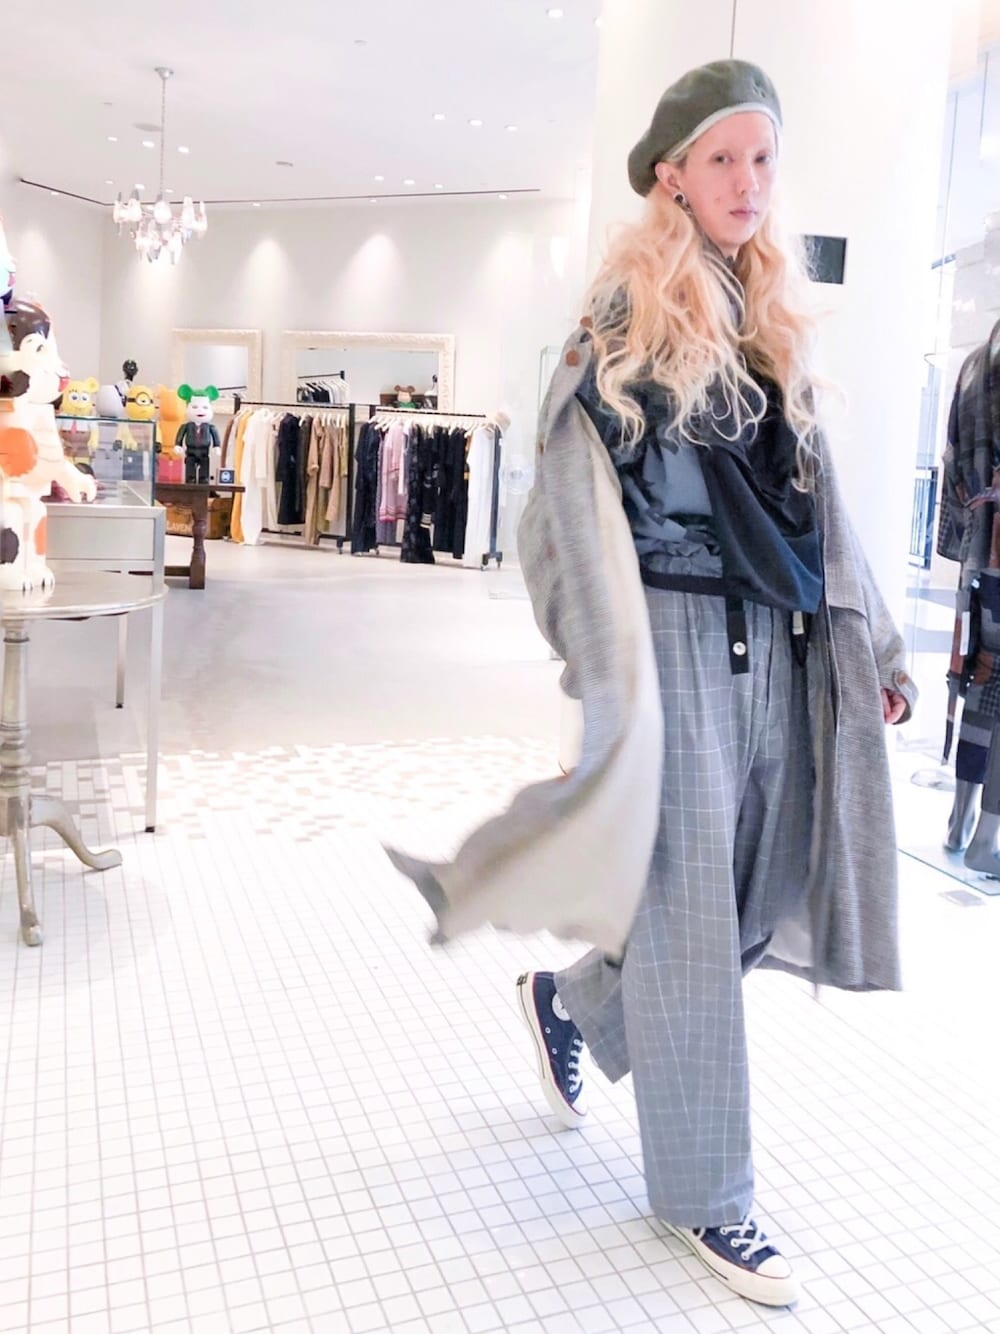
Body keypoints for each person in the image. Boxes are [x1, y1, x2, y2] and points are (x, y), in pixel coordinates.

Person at [389, 58, 916, 1311]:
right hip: (676, 637)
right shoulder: (625, 313)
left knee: (759, 887)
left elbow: (823, 503)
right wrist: (597, 659)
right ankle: (710, 1194)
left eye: (762, 158)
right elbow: (561, 499)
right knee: (685, 918)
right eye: (722, 157)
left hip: (779, 641)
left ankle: (567, 1004)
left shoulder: (769, 313)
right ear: (670, 172)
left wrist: (882, 648)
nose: (747, 180)